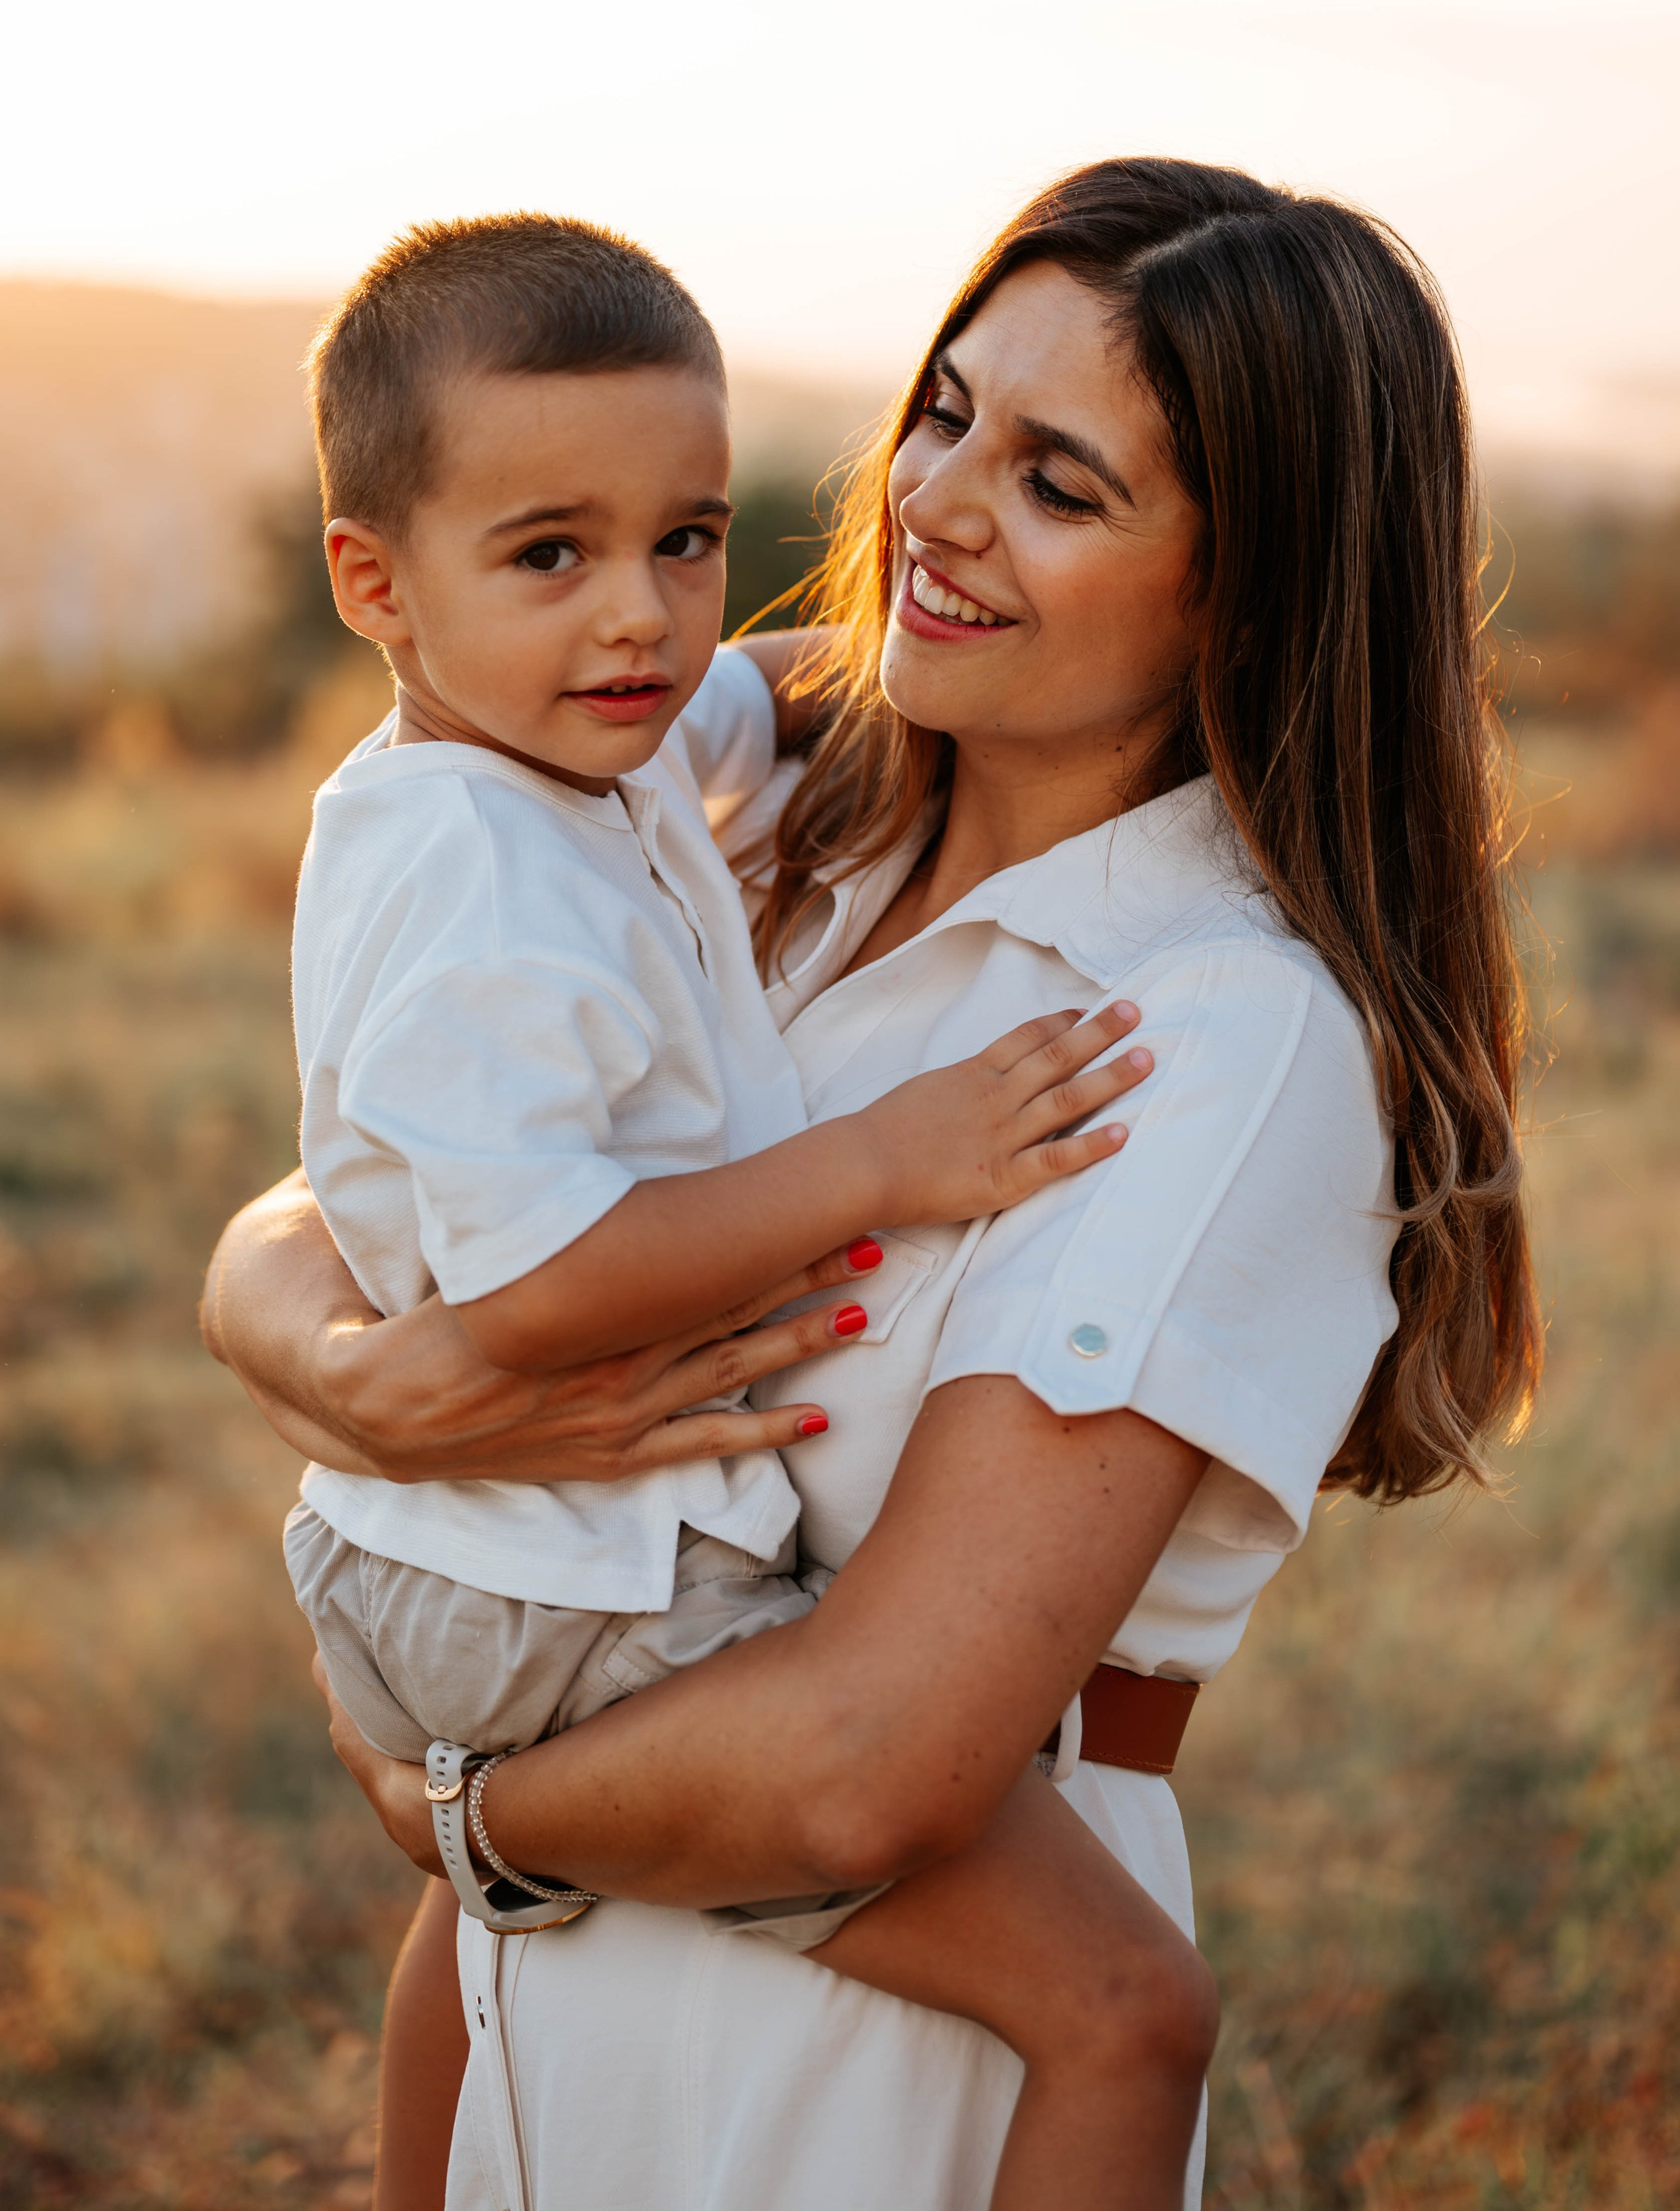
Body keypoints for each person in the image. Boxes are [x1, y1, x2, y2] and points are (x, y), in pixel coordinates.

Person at [204, 156, 1540, 2211]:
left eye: (1062, 485)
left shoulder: (1211, 1030)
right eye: (945, 414)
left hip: (862, 2059)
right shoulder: (757, 800)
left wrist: (463, 1814)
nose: (932, 506)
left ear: (1250, 584)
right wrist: (302, 1337)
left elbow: (873, 1762)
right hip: (549, 1990)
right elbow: (417, 1137)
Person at [276, 209, 1216, 2205]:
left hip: (504, 1552)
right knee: (1119, 2005)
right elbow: (533, 1284)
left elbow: (795, 679)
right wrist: (880, 1163)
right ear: (373, 582)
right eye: (552, 553)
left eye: (685, 540)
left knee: (493, 1913)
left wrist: (900, 645)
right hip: (542, 1579)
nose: (640, 619)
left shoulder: (573, 746)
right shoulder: (477, 867)